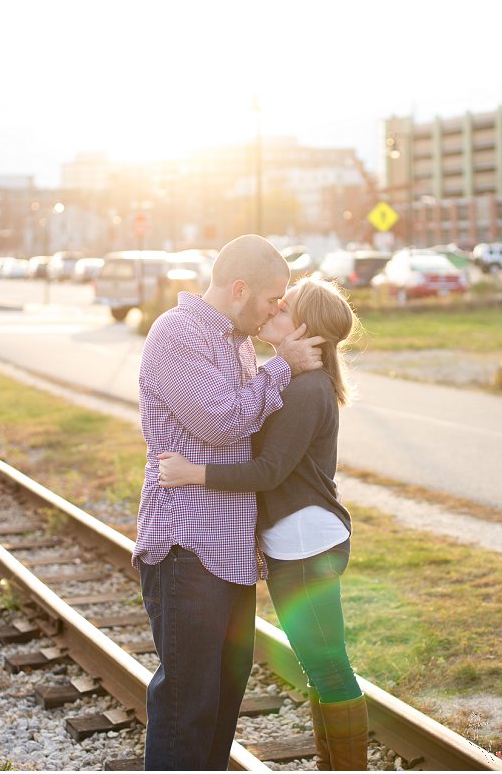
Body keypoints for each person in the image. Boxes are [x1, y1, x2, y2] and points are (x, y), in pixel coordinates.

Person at [157, 275, 367, 770]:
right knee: (321, 667)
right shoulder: (297, 379)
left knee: (328, 666)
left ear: (306, 329)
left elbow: (269, 471)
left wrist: (193, 473)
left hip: (303, 541)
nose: (272, 310)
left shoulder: (305, 389)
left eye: (283, 308)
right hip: (301, 538)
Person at [133, 234, 324, 771]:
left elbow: (251, 429)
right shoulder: (176, 334)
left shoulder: (237, 341)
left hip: (232, 549)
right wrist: (282, 364)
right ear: (240, 289)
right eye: (272, 299)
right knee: (187, 706)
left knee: (221, 704)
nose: (276, 310)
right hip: (188, 543)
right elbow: (221, 422)